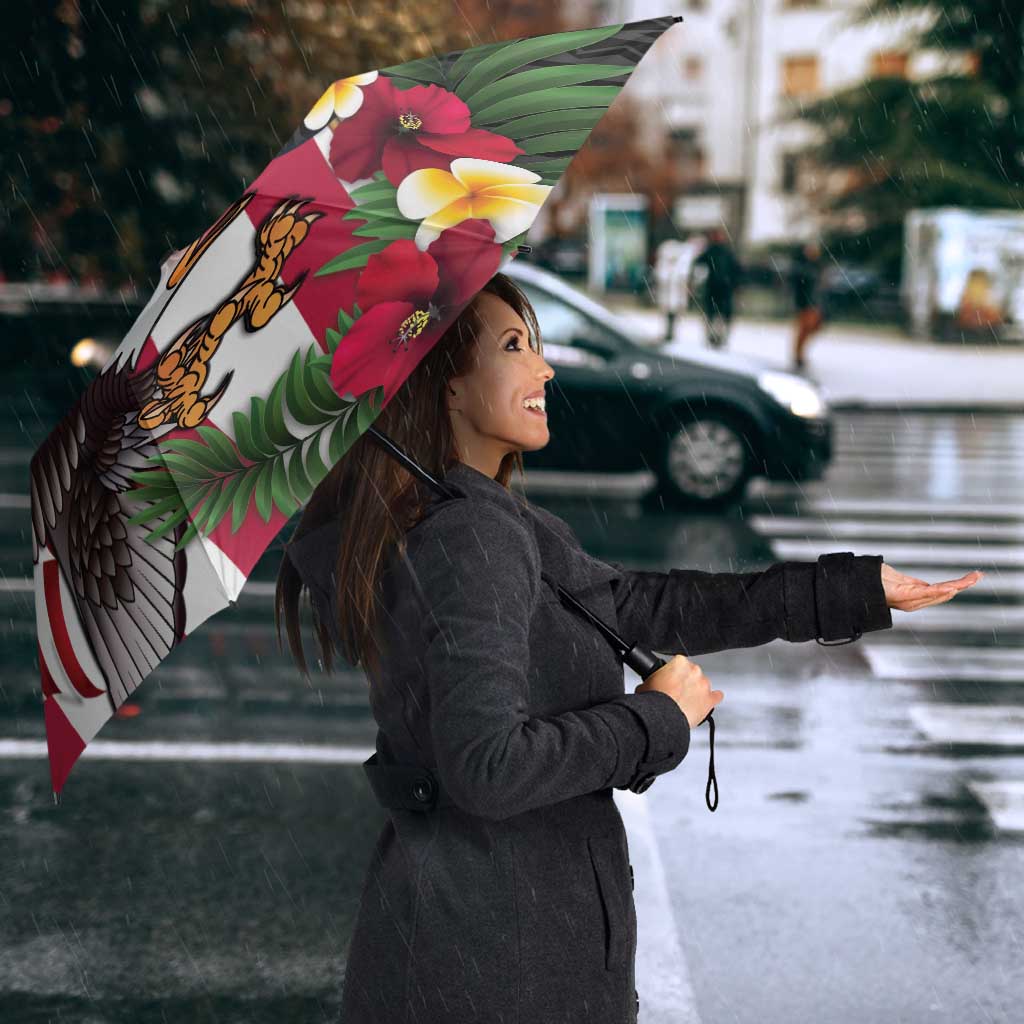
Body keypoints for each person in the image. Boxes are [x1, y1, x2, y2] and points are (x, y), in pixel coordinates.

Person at [276, 272, 981, 1024]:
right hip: (496, 962)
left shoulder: (480, 519)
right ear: (446, 387)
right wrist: (654, 719)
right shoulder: (469, 536)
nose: (544, 368)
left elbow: (644, 605)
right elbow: (487, 767)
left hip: (481, 943)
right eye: (515, 346)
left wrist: (849, 590)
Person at [692, 226, 742, 349]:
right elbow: (698, 264)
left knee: (720, 315)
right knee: (713, 314)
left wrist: (735, 284)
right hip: (715, 288)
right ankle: (713, 337)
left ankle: (719, 337)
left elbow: (736, 270)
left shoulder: (725, 252)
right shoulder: (712, 251)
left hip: (723, 288)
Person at [790, 239, 826, 370]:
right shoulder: (802, 267)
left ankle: (799, 354)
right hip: (805, 303)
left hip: (814, 303)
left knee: (812, 328)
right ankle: (798, 355)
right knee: (804, 329)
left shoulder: (817, 266)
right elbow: (799, 286)